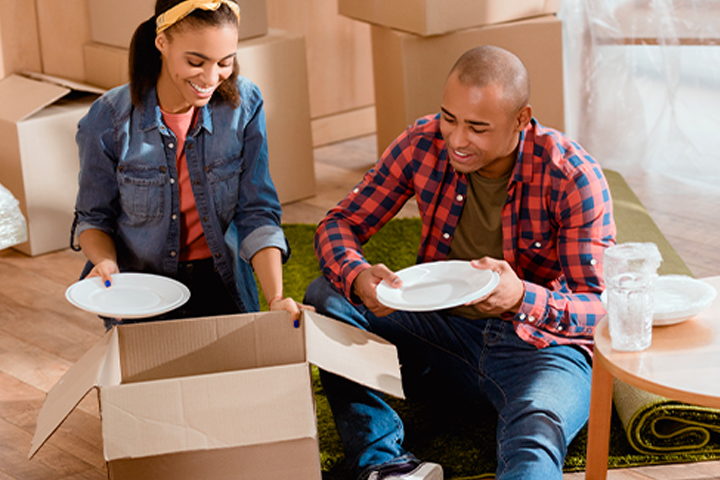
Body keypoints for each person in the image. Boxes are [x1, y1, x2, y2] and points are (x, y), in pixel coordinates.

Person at [304, 45, 616, 480]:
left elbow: (601, 309)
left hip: (541, 352)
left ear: (521, 120)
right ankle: (383, 464)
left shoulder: (573, 177)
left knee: (534, 437)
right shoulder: (422, 143)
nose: (456, 139)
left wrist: (521, 297)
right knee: (326, 296)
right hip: (442, 337)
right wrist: (358, 278)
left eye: (477, 127)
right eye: (449, 117)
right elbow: (339, 223)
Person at [71, 0, 308, 328]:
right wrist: (106, 262)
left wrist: (276, 298)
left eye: (225, 62)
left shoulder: (245, 105)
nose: (211, 78)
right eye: (196, 61)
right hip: (143, 290)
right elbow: (93, 217)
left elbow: (257, 210)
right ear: (162, 42)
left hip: (222, 282)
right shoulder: (108, 118)